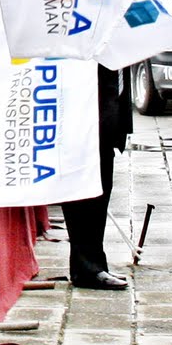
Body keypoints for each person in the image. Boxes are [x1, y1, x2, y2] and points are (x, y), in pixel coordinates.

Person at [63, 67, 132, 290]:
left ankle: (95, 264)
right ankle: (87, 268)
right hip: (85, 121)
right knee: (84, 196)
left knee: (102, 191)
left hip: (107, 121)